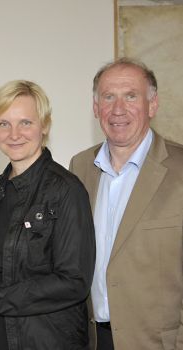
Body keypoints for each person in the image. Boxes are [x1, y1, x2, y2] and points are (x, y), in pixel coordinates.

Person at [0, 80, 96, 349]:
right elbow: (10, 263)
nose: (14, 133)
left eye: (25, 122)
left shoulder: (67, 190)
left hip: (45, 340)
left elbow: (73, 282)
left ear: (45, 126)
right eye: (4, 123)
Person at [69, 57, 183, 350]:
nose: (118, 109)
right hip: (94, 340)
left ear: (152, 105)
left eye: (131, 96)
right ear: (96, 108)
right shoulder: (79, 167)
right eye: (109, 97)